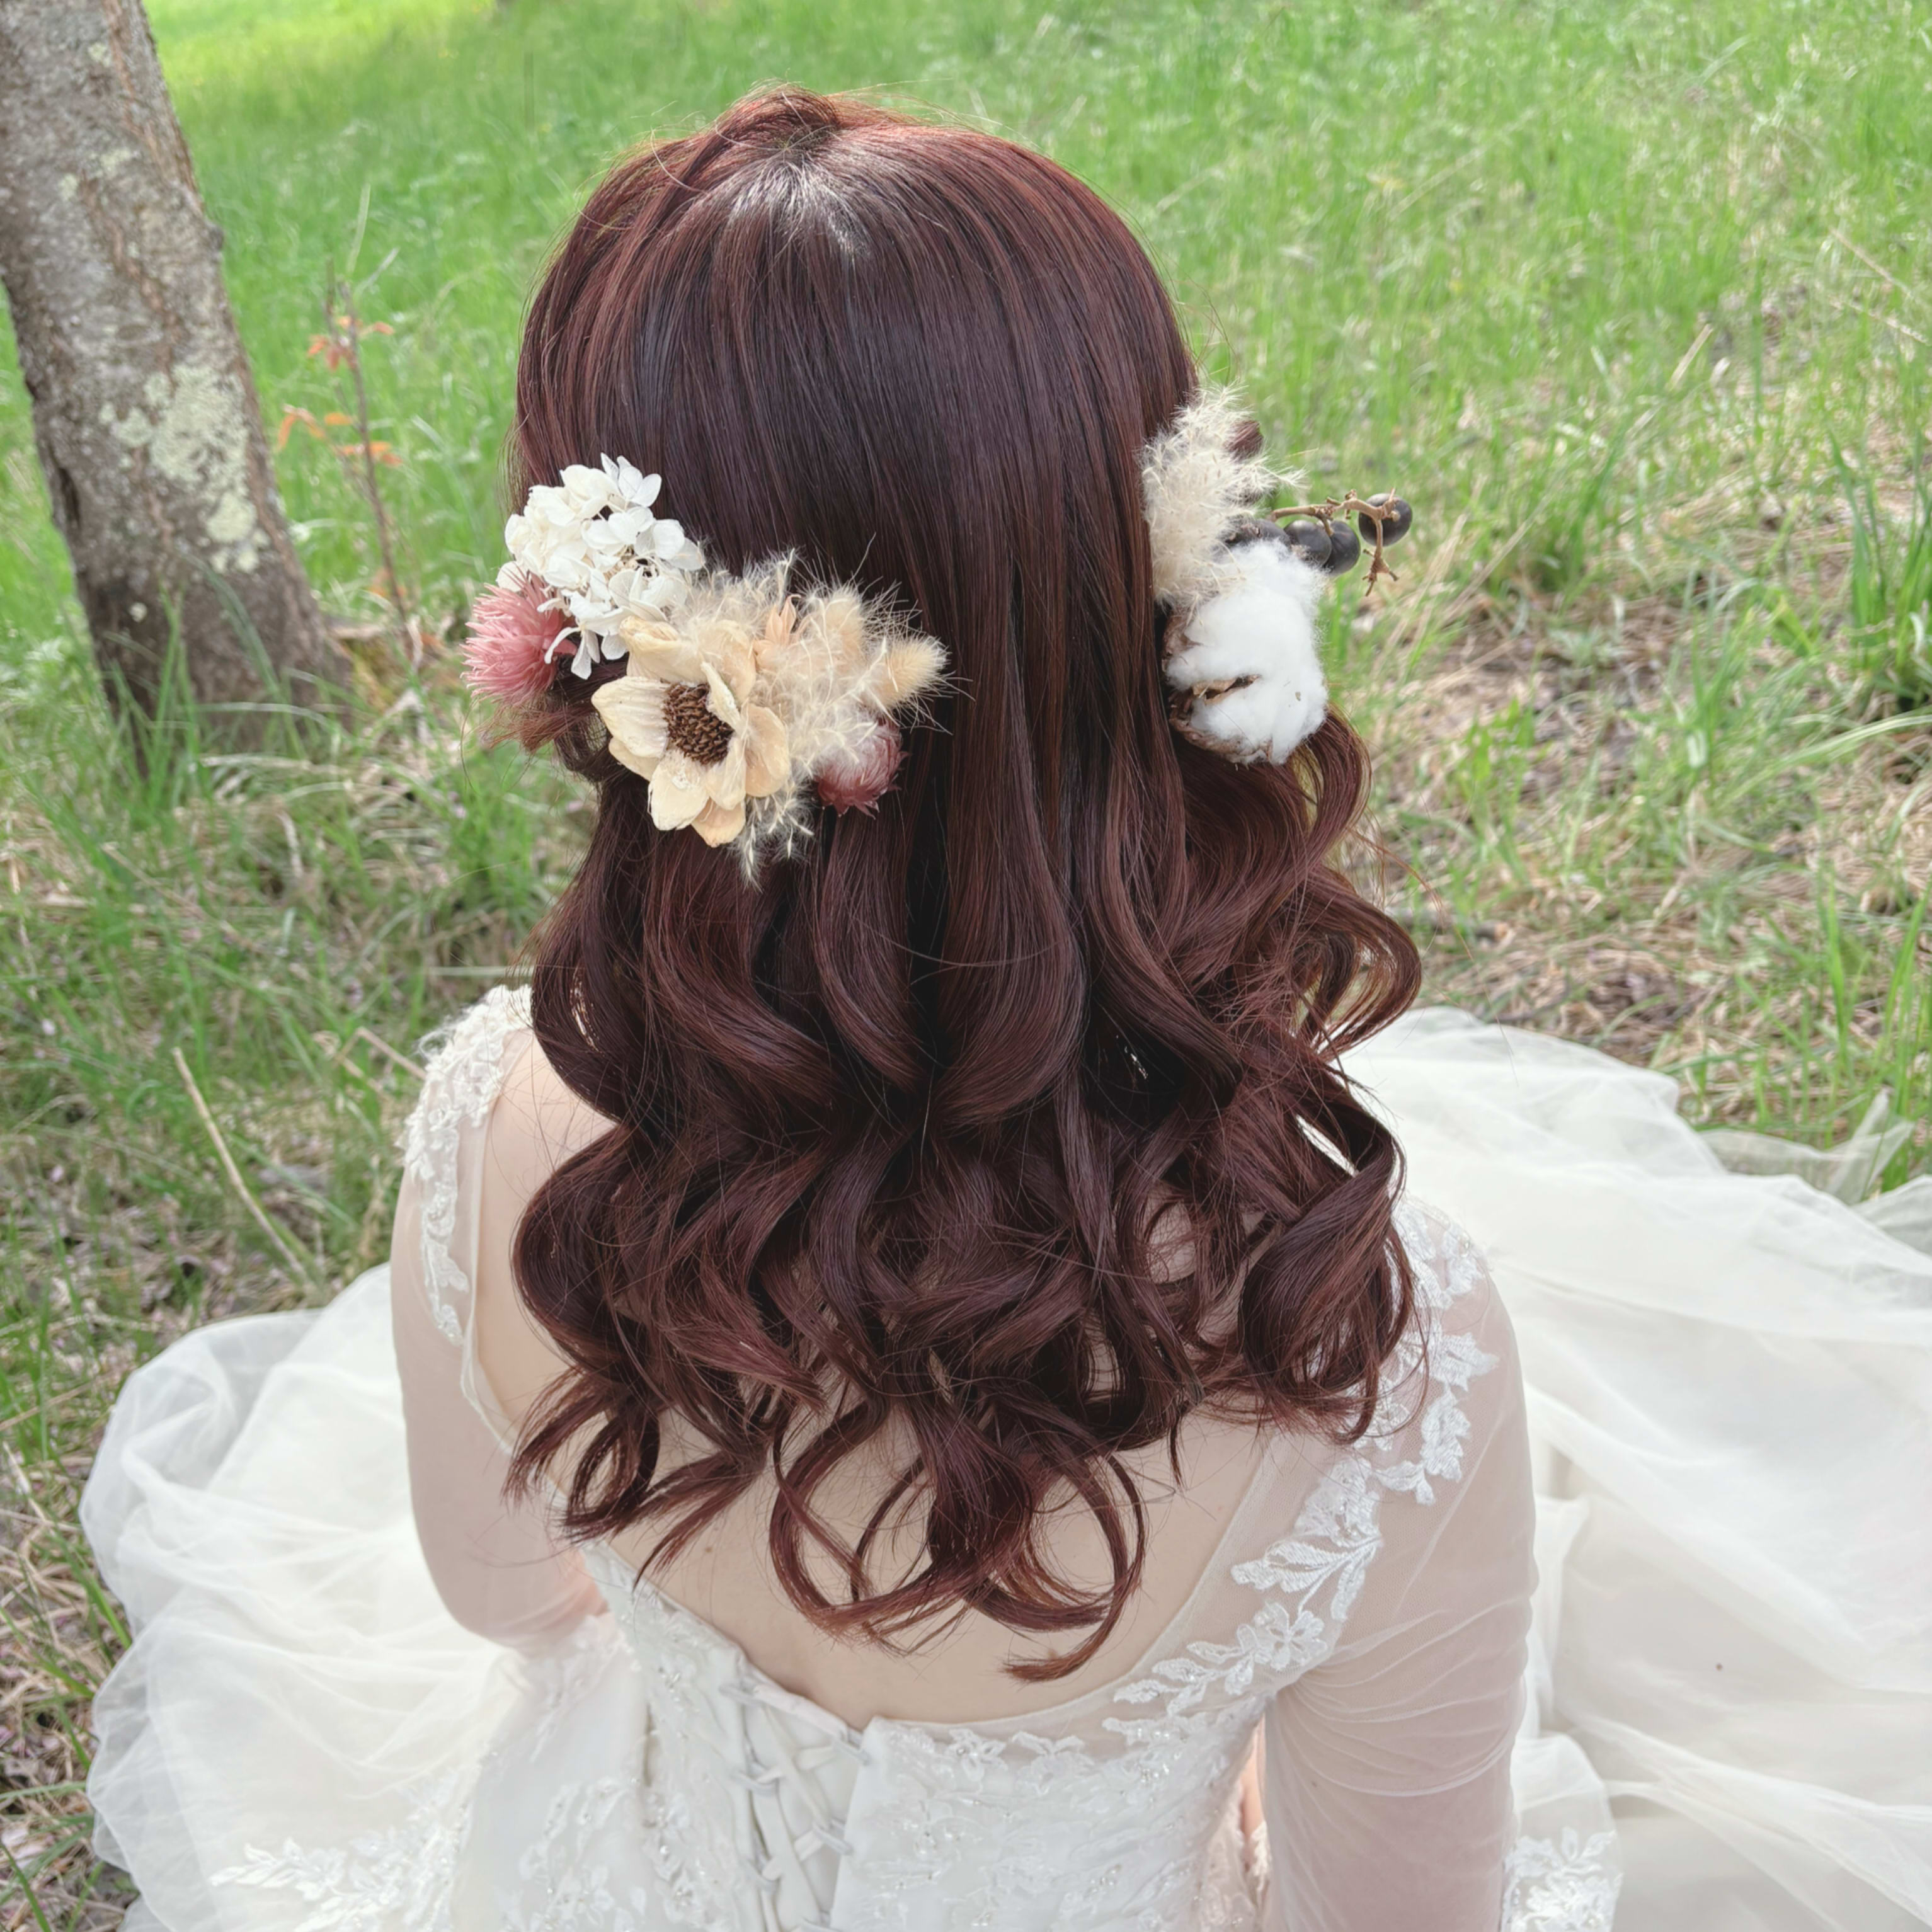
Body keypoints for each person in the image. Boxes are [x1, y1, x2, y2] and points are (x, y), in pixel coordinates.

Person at [79, 89, 1932, 1932]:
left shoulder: (503, 1120)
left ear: (608, 626)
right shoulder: (1361, 1349)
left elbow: (504, 1603)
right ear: (1136, 582)